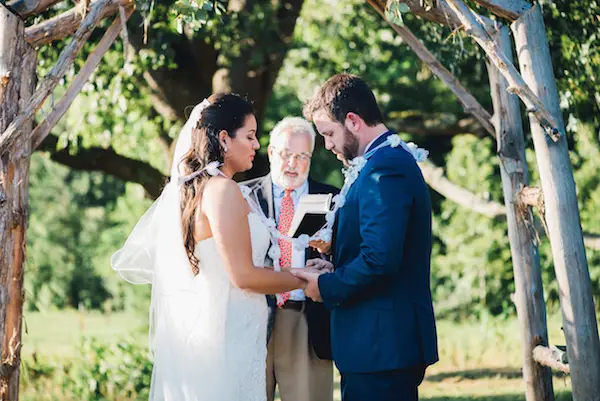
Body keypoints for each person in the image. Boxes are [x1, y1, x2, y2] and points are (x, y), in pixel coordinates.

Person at [112, 93, 306, 401]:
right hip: (228, 334)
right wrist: (304, 277)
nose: (257, 144)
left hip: (227, 330)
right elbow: (243, 276)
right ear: (225, 139)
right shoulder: (222, 191)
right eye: (251, 136)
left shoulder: (200, 189)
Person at [295, 74, 439, 401]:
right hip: (376, 346)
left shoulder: (383, 169)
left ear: (353, 121)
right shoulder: (379, 162)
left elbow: (380, 260)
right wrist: (333, 264)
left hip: (381, 347)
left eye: (329, 134)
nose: (328, 145)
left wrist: (325, 286)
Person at [243, 117, 337, 401]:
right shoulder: (243, 196)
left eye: (302, 156)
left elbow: (348, 258)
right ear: (271, 152)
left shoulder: (332, 198)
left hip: (308, 320)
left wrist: (330, 252)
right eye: (286, 154)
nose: (293, 164)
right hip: (253, 317)